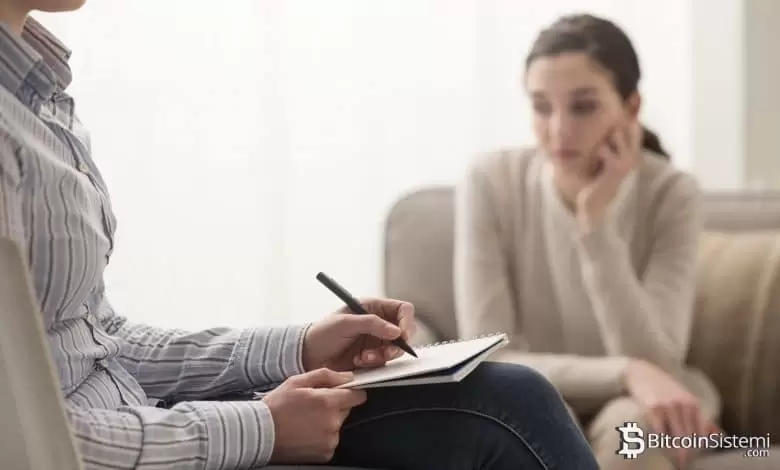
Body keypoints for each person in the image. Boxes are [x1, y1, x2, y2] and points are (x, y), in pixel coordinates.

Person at [0, 1, 603, 469]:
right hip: (130, 446)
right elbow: (18, 435)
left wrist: (300, 346)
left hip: (142, 419)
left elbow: (97, 339)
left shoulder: (39, 98)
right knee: (509, 407)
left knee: (510, 396)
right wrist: (260, 427)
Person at [454, 13, 722, 470]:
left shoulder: (672, 193)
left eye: (583, 107)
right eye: (542, 107)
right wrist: (626, 372)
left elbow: (657, 360)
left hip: (641, 400)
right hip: (532, 394)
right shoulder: (490, 181)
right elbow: (489, 355)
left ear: (631, 107)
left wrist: (595, 227)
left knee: (633, 439)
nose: (559, 130)